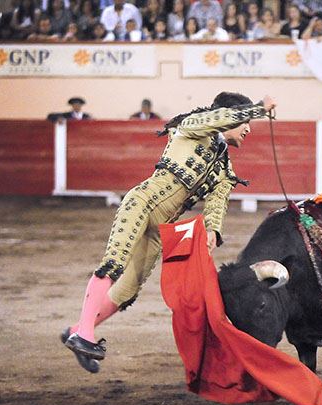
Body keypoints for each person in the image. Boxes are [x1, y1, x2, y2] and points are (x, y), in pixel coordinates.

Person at [61, 92, 277, 373]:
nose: (248, 128)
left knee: (128, 290)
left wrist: (213, 229)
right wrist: (258, 108)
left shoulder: (224, 166)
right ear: (228, 117)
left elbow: (218, 200)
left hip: (160, 227)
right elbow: (217, 118)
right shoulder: (193, 126)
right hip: (141, 204)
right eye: (245, 121)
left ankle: (75, 331)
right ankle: (84, 336)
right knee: (114, 263)